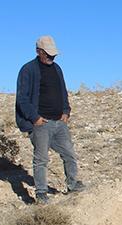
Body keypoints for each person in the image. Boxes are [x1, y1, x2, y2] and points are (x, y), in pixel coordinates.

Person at [15, 35, 85, 204]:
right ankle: (41, 193)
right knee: (41, 159)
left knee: (69, 153)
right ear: (38, 51)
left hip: (59, 122)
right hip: (41, 123)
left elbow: (63, 91)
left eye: (53, 55)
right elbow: (22, 98)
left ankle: (73, 184)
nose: (51, 58)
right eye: (48, 54)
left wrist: (66, 111)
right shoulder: (28, 70)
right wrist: (35, 118)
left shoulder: (57, 69)